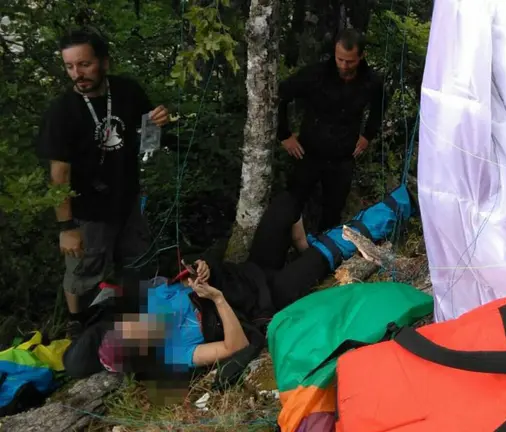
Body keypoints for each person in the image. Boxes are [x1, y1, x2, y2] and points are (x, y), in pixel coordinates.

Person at [61, 191, 331, 382]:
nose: (137, 324)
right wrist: (218, 300)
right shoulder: (176, 354)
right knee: (329, 251)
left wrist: (198, 269)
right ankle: (315, 253)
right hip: (266, 299)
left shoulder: (149, 303)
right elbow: (234, 346)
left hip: (247, 273)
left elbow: (180, 274)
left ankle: (302, 249)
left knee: (286, 203)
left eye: (128, 325)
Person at [36, 28, 170, 335]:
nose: (77, 74)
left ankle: (131, 319)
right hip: (87, 211)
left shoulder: (127, 91)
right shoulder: (62, 112)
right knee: (83, 271)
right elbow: (59, 176)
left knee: (136, 262)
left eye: (84, 64)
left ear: (104, 62)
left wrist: (158, 122)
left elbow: (148, 139)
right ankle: (79, 327)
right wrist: (66, 228)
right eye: (70, 66)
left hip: (127, 200)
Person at [277, 28, 387, 233]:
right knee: (292, 204)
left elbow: (379, 108)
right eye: (340, 59)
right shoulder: (316, 74)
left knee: (333, 211)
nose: (344, 65)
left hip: (343, 156)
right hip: (308, 152)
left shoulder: (371, 81)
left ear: (361, 57)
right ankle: (283, 251)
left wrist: (367, 136)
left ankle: (323, 256)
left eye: (350, 61)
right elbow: (281, 95)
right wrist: (284, 135)